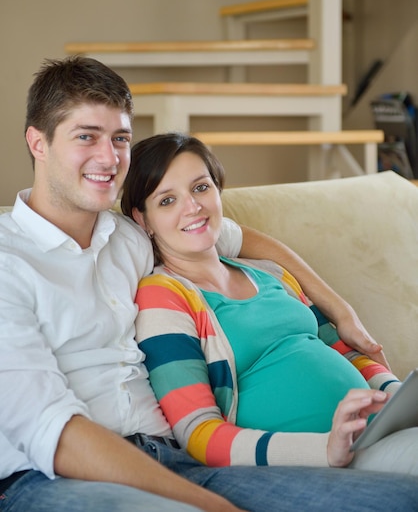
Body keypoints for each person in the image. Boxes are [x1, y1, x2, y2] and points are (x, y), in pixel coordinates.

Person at [1, 57, 417, 512]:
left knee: (398, 500)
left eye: (120, 138)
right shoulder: (9, 262)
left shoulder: (130, 235)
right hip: (53, 476)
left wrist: (338, 308)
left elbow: (236, 237)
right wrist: (212, 505)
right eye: (86, 137)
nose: (109, 157)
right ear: (37, 143)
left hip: (174, 457)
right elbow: (52, 433)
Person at [121, 132, 418, 476]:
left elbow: (346, 351)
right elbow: (198, 434)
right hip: (311, 461)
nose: (193, 207)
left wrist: (397, 395)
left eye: (201, 188)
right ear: (143, 220)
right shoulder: (162, 296)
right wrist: (325, 449)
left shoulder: (270, 272)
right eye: (167, 201)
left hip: (375, 434)